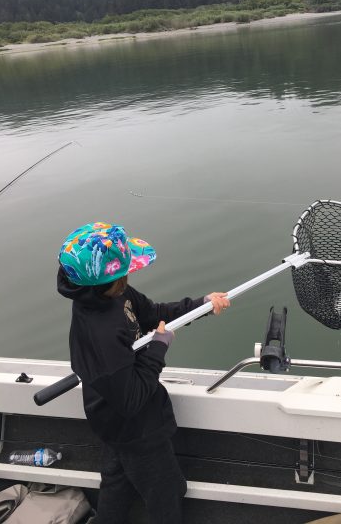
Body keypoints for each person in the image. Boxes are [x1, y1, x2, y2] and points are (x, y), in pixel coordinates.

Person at [57, 221, 230, 524]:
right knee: (168, 492)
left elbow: (154, 314)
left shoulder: (108, 294)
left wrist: (200, 305)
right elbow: (132, 400)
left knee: (118, 481)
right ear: (106, 281)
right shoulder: (101, 333)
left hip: (114, 421)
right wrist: (158, 349)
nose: (128, 276)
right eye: (124, 271)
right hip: (134, 429)